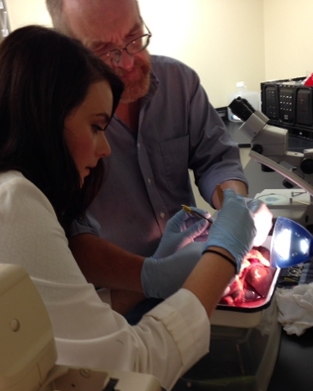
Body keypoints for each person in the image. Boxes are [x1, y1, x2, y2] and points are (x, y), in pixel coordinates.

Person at [0, 24, 258, 391]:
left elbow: (58, 327)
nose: (105, 149)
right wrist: (224, 252)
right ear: (42, 116)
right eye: (95, 127)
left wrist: (150, 275)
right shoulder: (10, 204)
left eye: (134, 37)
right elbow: (133, 370)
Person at [45, 0, 273, 302]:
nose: (127, 63)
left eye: (133, 37)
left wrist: (233, 205)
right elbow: (66, 231)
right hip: (116, 299)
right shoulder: (56, 117)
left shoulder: (180, 83)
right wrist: (151, 276)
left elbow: (216, 158)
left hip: (196, 273)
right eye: (103, 51)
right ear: (70, 50)